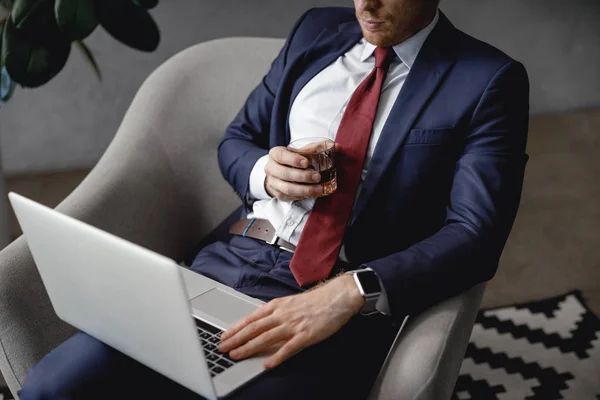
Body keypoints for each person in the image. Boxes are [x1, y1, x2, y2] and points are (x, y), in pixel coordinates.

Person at [18, 0, 530, 399]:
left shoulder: (487, 80)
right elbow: (238, 139)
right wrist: (267, 171)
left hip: (336, 302)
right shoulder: (316, 31)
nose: (366, 7)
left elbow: (476, 233)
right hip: (223, 266)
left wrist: (350, 293)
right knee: (53, 386)